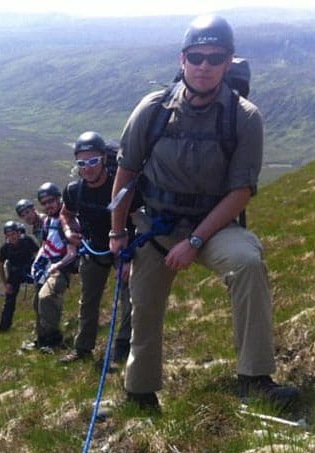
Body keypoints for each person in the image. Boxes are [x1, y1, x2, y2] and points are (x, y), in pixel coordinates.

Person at [108, 14, 299, 411]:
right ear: (182, 60)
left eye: (215, 57)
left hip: (212, 228)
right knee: (144, 302)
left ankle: (255, 377)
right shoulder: (153, 109)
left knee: (247, 262)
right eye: (197, 56)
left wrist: (195, 241)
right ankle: (140, 391)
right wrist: (117, 234)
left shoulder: (243, 117)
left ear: (229, 62)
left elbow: (241, 190)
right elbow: (126, 174)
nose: (205, 66)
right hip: (155, 225)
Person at [59, 131, 136, 365]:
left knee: (129, 298)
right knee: (88, 300)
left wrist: (130, 257)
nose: (88, 168)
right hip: (94, 250)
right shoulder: (74, 191)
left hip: (123, 249)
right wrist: (69, 232)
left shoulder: (120, 187)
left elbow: (138, 218)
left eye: (93, 161)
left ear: (103, 158)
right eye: (82, 163)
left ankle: (122, 349)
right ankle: (83, 348)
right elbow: (65, 214)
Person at [30, 182, 75, 349]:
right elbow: (45, 244)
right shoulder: (48, 221)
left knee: (46, 297)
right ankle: (41, 339)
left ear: (58, 199)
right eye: (44, 203)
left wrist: (57, 266)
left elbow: (72, 253)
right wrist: (37, 262)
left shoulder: (67, 222)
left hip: (61, 269)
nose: (48, 205)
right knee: (37, 302)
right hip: (46, 266)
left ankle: (54, 340)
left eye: (51, 201)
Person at [0, 220, 39, 332]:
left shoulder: (28, 241)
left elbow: (39, 254)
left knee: (41, 290)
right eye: (9, 235)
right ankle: (4, 328)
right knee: (9, 300)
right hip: (14, 273)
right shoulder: (4, 248)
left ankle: (42, 322)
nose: (12, 237)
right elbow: (0, 266)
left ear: (18, 233)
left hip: (30, 270)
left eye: (14, 234)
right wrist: (6, 284)